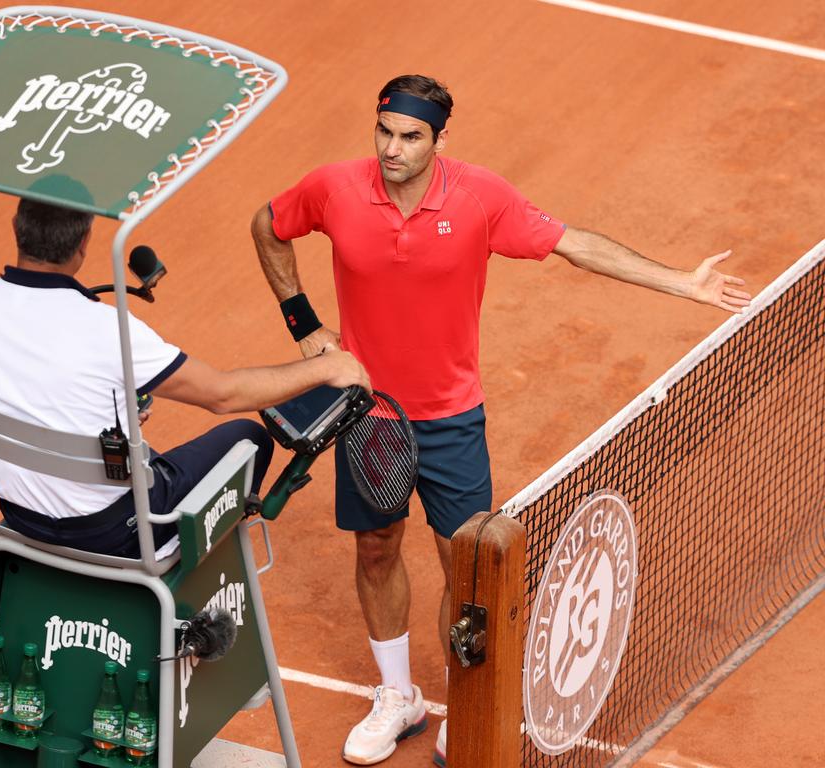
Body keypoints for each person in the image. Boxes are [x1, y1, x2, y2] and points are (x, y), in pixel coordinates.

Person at [250, 74, 750, 766]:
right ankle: (398, 698)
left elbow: (577, 245)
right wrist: (305, 327)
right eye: (384, 131)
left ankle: (468, 700)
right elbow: (268, 226)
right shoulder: (335, 187)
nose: (393, 148)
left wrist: (681, 282)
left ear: (440, 140)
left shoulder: (481, 198)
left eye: (411, 136)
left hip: (453, 417)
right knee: (375, 548)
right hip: (370, 416)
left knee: (470, 568)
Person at [0, 190, 370, 559]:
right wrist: (324, 367)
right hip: (114, 533)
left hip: (18, 516)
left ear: (17, 226)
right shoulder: (109, 329)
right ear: (84, 241)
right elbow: (222, 394)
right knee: (248, 438)